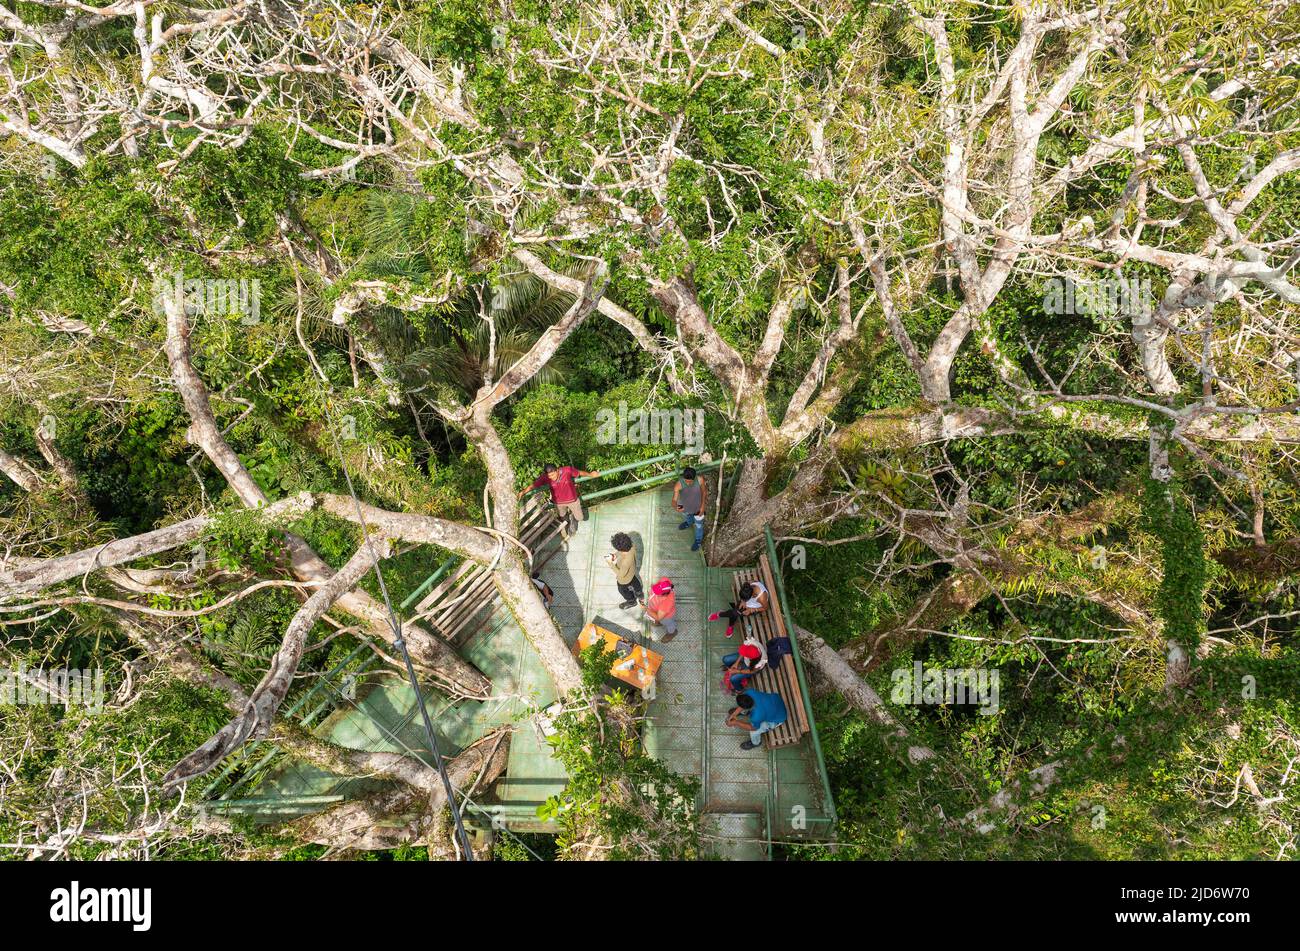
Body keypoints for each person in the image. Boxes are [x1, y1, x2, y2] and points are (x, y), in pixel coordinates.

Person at [521, 462, 600, 538]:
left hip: (572, 500)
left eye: (553, 474)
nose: (551, 477)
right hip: (558, 502)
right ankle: (568, 522)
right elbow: (534, 485)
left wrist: (590, 474)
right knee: (563, 516)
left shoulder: (567, 470)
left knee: (580, 518)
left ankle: (573, 519)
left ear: (557, 470)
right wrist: (522, 492)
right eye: (549, 476)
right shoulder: (545, 477)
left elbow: (579, 473)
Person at [672, 466, 708, 552]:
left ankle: (698, 540)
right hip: (685, 506)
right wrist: (676, 507)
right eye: (686, 481)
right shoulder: (678, 484)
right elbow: (674, 500)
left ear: (694, 478)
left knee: (699, 525)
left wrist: (703, 506)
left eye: (690, 481)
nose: (688, 483)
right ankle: (689, 522)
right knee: (687, 516)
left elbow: (704, 492)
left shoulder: (700, 480)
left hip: (698, 506)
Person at [605, 532, 643, 609]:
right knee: (635, 581)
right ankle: (639, 593)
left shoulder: (626, 561)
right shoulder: (632, 547)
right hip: (632, 573)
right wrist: (615, 555)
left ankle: (631, 601)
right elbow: (622, 551)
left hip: (624, 580)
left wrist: (610, 564)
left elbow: (621, 574)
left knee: (622, 590)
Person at [644, 577, 678, 642]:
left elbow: (658, 617)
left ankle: (672, 633)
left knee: (669, 625)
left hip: (666, 617)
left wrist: (646, 609)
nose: (654, 591)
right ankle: (659, 623)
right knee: (658, 619)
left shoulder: (667, 602)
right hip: (656, 610)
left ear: (664, 594)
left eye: (657, 593)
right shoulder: (665, 581)